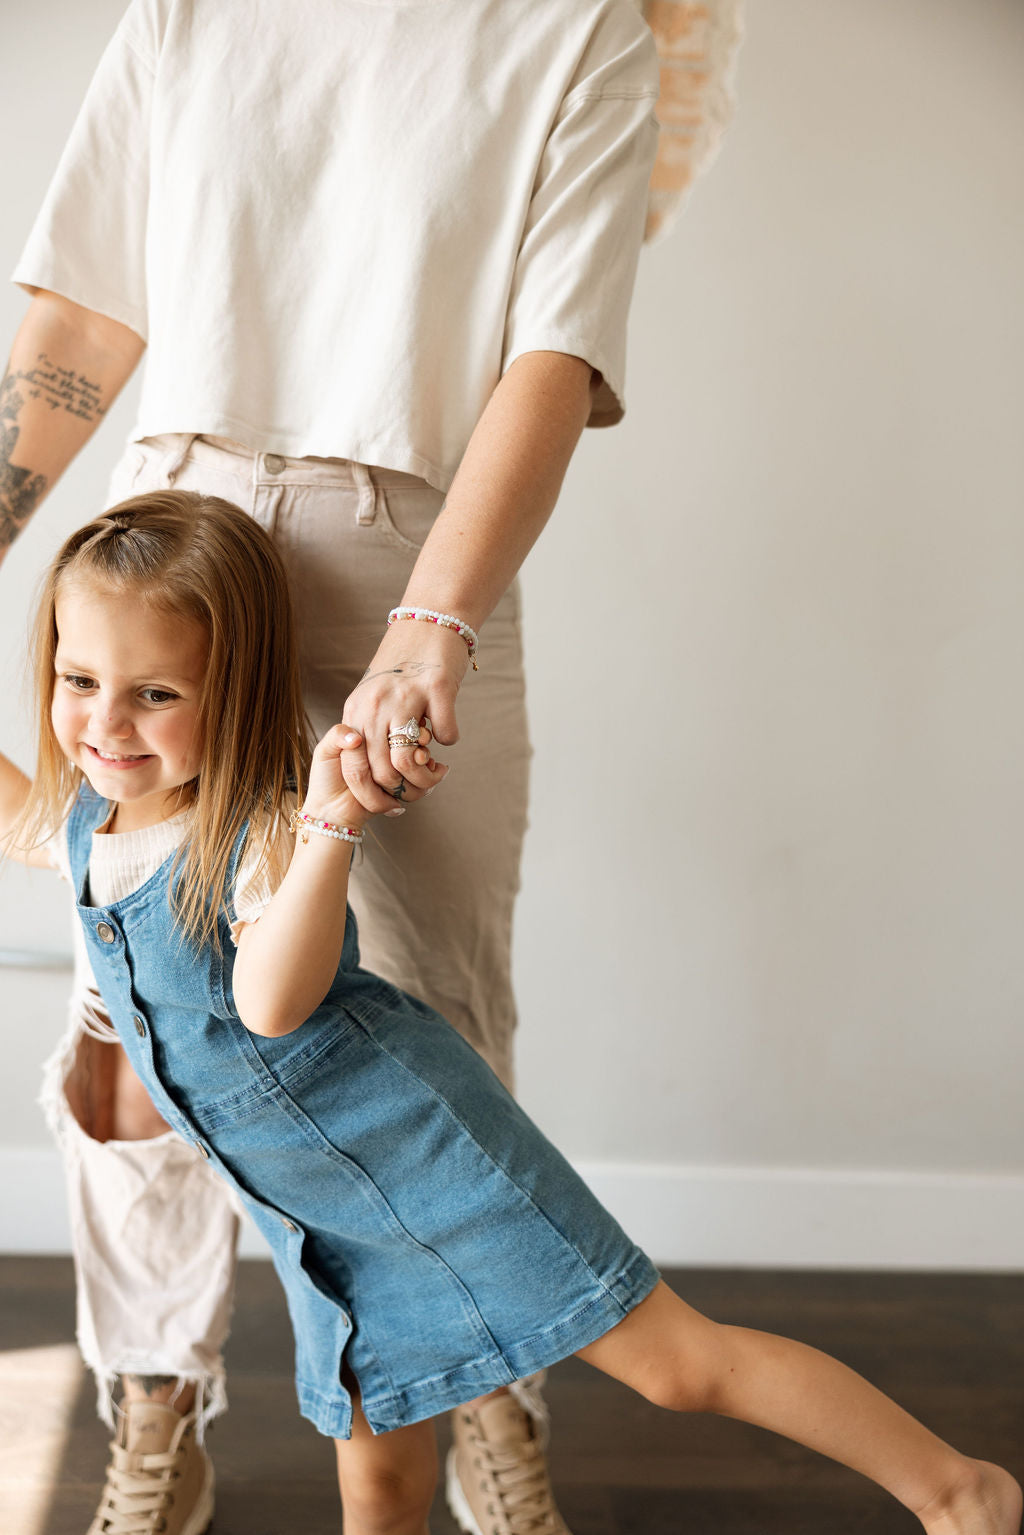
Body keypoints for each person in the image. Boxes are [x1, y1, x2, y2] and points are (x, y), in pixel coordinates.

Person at [2, 2, 745, 1531]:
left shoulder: (587, 23)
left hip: (412, 548)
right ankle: (155, 1403)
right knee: (134, 1018)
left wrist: (434, 623)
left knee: (443, 1010)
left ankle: (490, 1387)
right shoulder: (187, 10)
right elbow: (82, 319)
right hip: (170, 547)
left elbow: (554, 358)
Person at [1, 490, 1021, 1535]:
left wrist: (331, 826)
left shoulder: (265, 827)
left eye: (154, 692)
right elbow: (25, 820)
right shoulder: (92, 811)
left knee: (676, 1365)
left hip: (421, 1154)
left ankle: (958, 1489)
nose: (105, 721)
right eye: (78, 679)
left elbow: (267, 1002)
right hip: (320, 1224)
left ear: (233, 686)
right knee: (378, 1486)